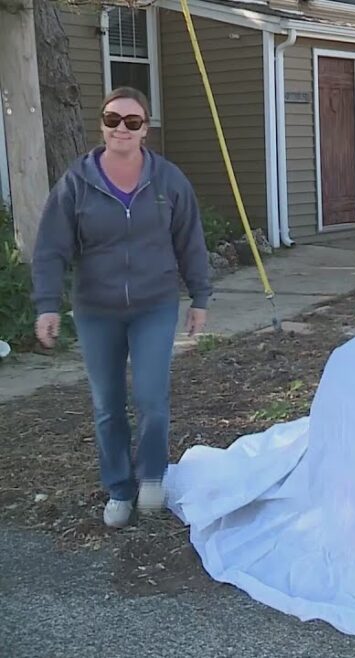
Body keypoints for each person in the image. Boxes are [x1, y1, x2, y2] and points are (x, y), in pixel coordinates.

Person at [30, 87, 213, 528]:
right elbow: (51, 248)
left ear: (145, 130)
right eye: (114, 120)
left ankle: (152, 475)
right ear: (102, 125)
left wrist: (200, 297)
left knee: (151, 397)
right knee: (107, 404)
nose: (122, 129)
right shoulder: (77, 182)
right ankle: (118, 488)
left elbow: (190, 240)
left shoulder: (168, 180)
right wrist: (47, 305)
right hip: (97, 309)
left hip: (154, 304)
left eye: (132, 122)